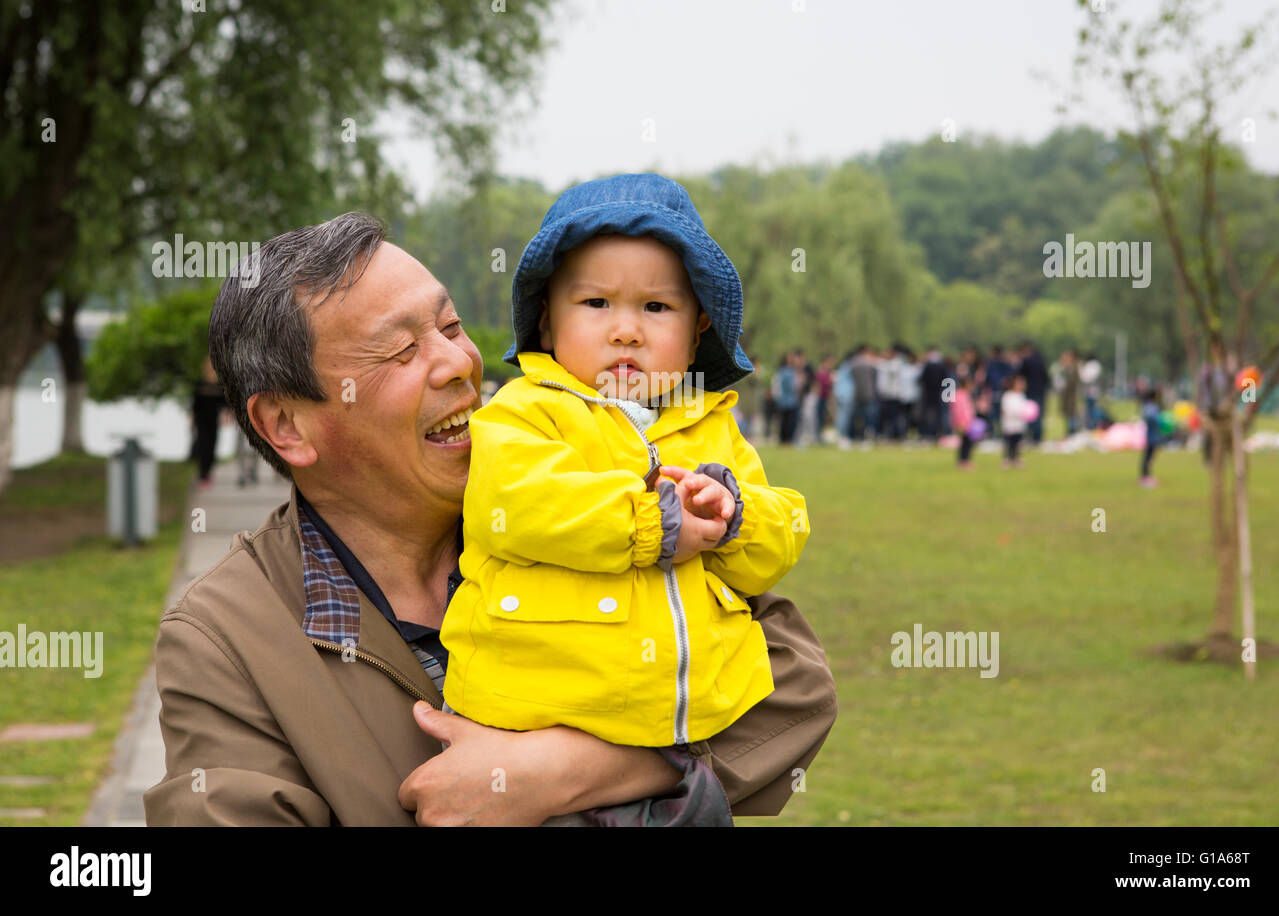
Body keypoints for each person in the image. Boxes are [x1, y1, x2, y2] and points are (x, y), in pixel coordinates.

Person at [143, 212, 837, 826]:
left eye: (450, 327)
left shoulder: (571, 503)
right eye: (401, 351)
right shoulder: (227, 639)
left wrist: (563, 771)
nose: (460, 364)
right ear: (286, 424)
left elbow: (795, 682)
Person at [442, 174, 812, 780]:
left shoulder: (714, 426)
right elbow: (514, 503)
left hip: (681, 731)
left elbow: (771, 551)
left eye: (656, 307)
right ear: (544, 321)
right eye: (595, 304)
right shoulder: (526, 410)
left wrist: (733, 516)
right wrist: (651, 523)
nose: (626, 330)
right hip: (527, 715)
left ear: (698, 333)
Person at [191, 354, 226, 489]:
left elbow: (224, 405)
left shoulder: (219, 385)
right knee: (203, 445)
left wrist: (226, 416)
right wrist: (192, 419)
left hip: (213, 420)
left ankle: (208, 473)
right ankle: (202, 474)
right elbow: (195, 404)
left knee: (212, 447)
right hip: (201, 420)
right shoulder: (199, 383)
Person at [1016, 342, 1049, 445]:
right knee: (1038, 414)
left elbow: (1020, 374)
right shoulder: (1040, 361)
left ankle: (1030, 436)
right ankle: (1037, 438)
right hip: (1040, 391)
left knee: (1030, 414)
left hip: (1030, 391)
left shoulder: (1026, 361)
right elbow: (1046, 377)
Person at [1000, 374, 1029, 469]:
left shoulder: (1022, 395)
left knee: (1017, 443)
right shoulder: (1007, 395)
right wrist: (1016, 413)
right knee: (1009, 443)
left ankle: (1016, 458)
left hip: (1019, 424)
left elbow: (1025, 408)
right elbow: (1005, 409)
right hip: (1009, 424)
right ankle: (1007, 459)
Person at [1139, 383, 1165, 488]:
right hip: (1152, 436)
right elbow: (1151, 418)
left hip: (1152, 436)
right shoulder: (1151, 407)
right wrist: (1159, 422)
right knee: (1148, 457)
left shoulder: (1148, 406)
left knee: (1149, 457)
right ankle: (1145, 478)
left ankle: (1146, 477)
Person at [950, 375, 977, 471]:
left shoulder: (966, 395)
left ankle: (966, 460)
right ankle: (963, 461)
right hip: (962, 424)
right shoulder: (959, 395)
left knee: (968, 443)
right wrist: (961, 422)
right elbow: (958, 411)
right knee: (965, 443)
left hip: (968, 423)